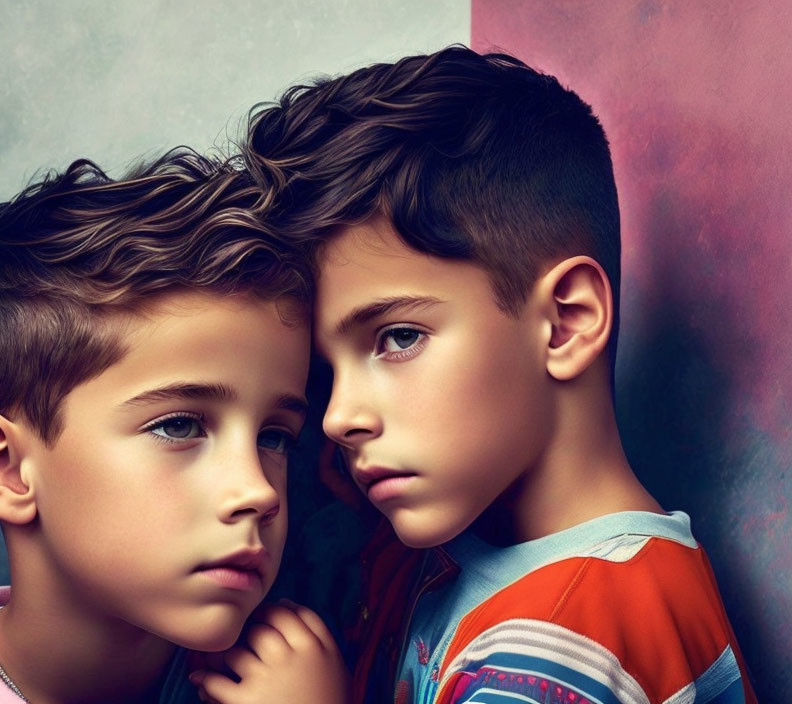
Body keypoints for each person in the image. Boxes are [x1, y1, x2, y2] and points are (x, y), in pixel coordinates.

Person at [195, 47, 758, 703]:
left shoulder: (567, 639)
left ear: (565, 321)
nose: (338, 417)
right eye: (327, 370)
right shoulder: (473, 545)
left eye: (398, 338)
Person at [0, 149, 339, 703]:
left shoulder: (305, 673)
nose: (258, 492)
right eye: (179, 426)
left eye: (274, 437)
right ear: (4, 468)